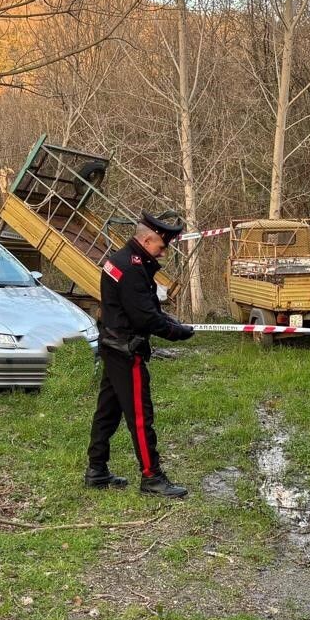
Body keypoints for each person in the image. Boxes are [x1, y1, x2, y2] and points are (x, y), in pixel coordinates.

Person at [84, 211, 196, 499]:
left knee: (107, 412)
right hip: (125, 350)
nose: (163, 252)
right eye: (161, 246)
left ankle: (97, 470)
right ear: (147, 240)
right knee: (140, 417)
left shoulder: (120, 260)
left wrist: (169, 319)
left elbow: (144, 309)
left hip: (111, 344)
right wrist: (178, 332)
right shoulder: (133, 268)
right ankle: (152, 477)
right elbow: (145, 317)